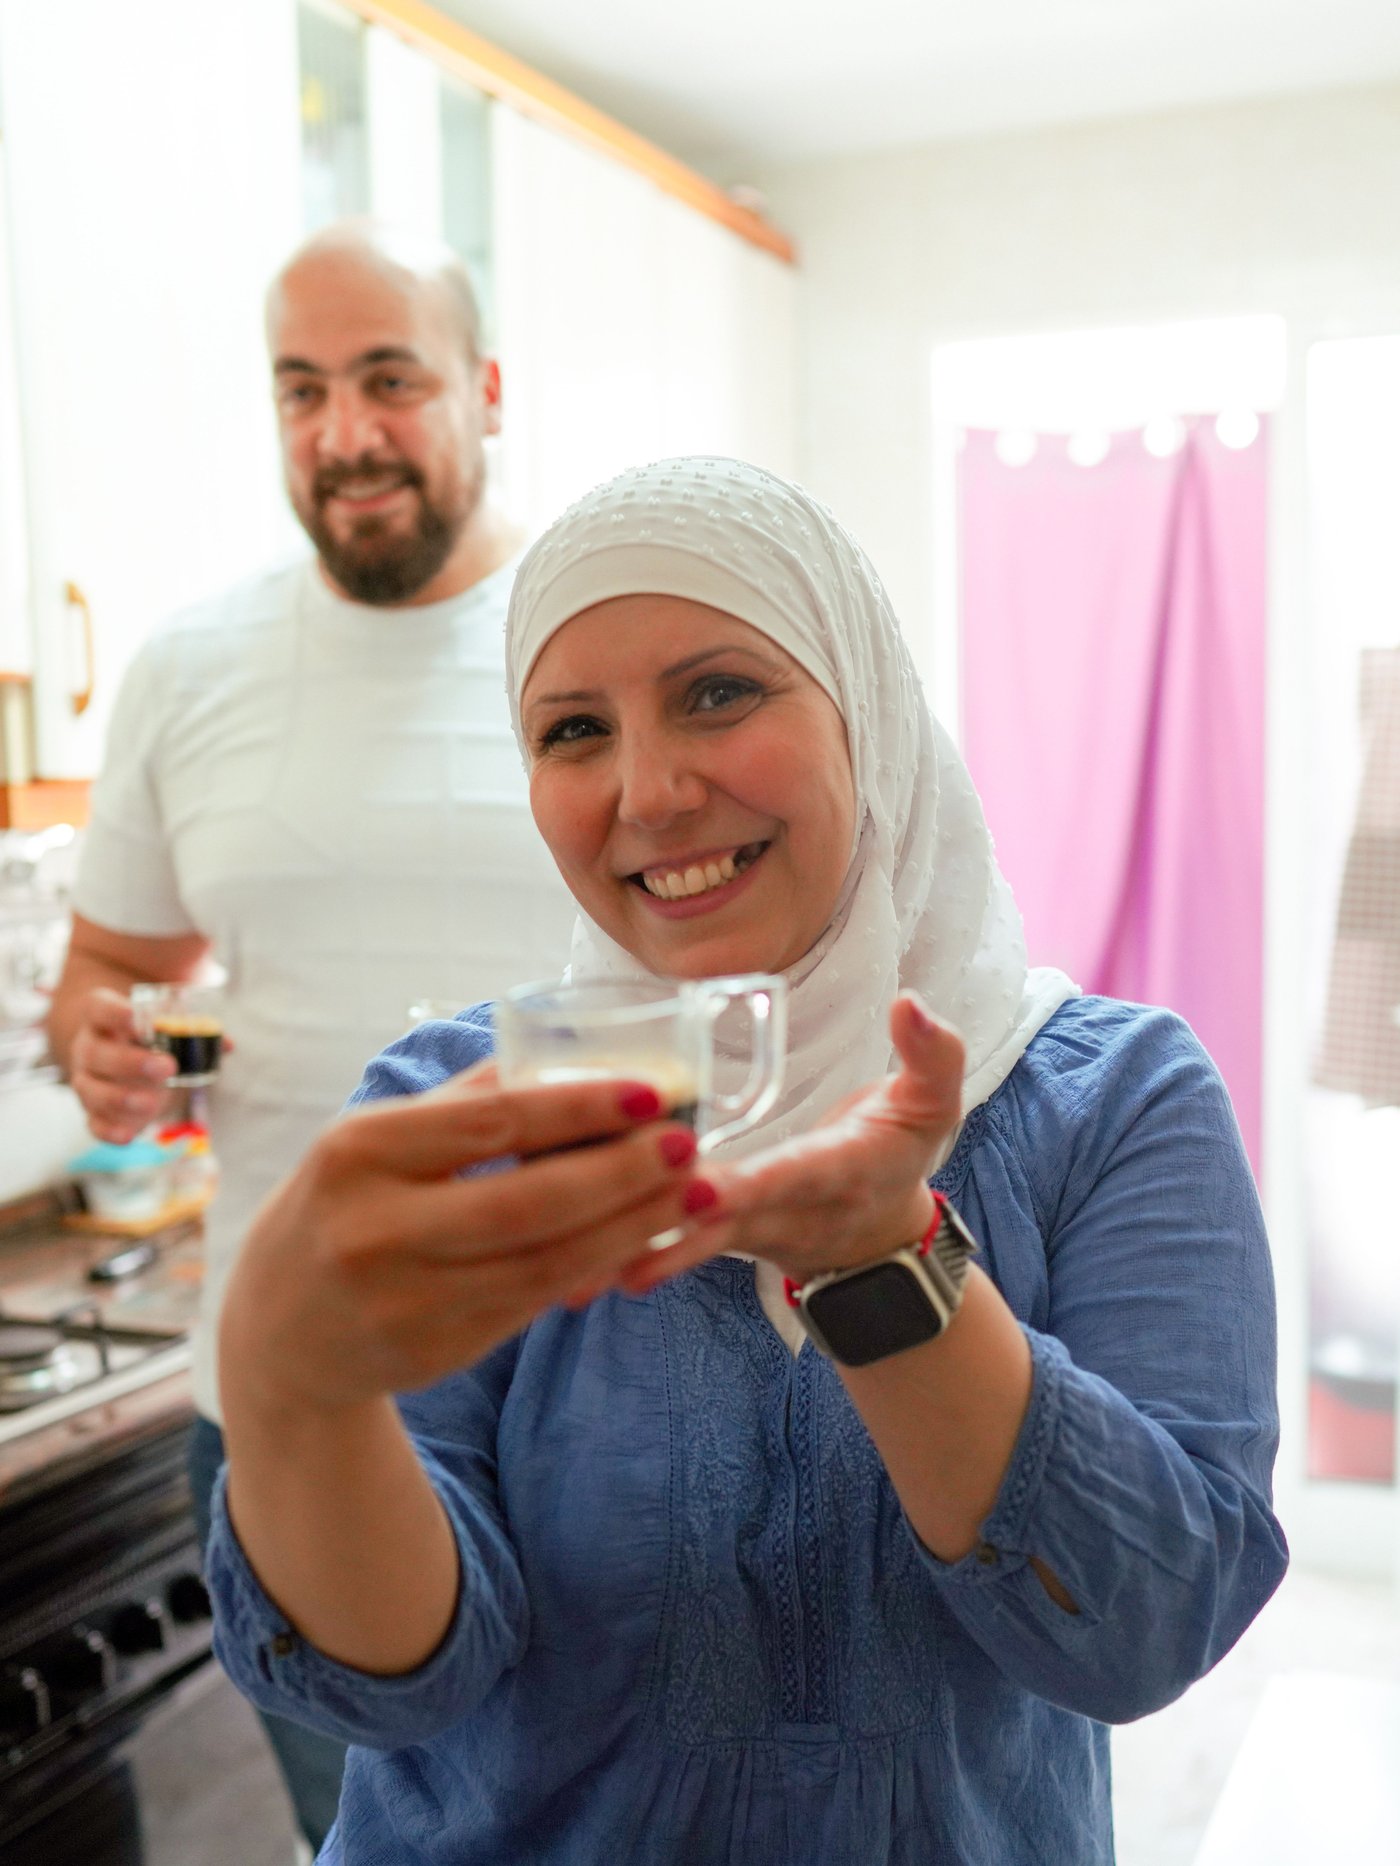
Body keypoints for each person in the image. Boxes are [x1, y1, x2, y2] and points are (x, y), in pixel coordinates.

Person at [204, 457, 1288, 1864]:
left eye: (719, 691)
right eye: (573, 728)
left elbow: (1151, 1628)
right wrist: (294, 1397)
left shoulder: (1114, 1100)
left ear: (867, 710)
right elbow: (401, 1677)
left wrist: (887, 1261)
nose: (647, 792)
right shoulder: (459, 1113)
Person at [44, 221, 577, 1855]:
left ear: (483, 392)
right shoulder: (189, 665)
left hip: (598, 1380)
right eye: (301, 389)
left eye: (389, 380)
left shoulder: (597, 637)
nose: (343, 434)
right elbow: (102, 979)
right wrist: (106, 1046)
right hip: (288, 1401)